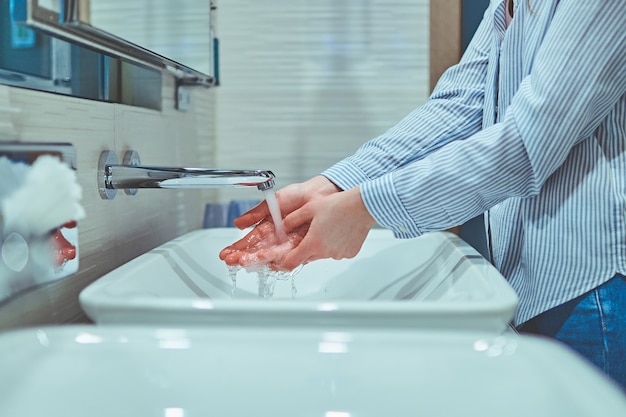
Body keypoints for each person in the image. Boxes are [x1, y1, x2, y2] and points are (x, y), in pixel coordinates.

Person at [220, 0, 626, 390]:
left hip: (593, 288)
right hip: (532, 278)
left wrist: (365, 208)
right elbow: (460, 105)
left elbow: (526, 144)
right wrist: (332, 186)